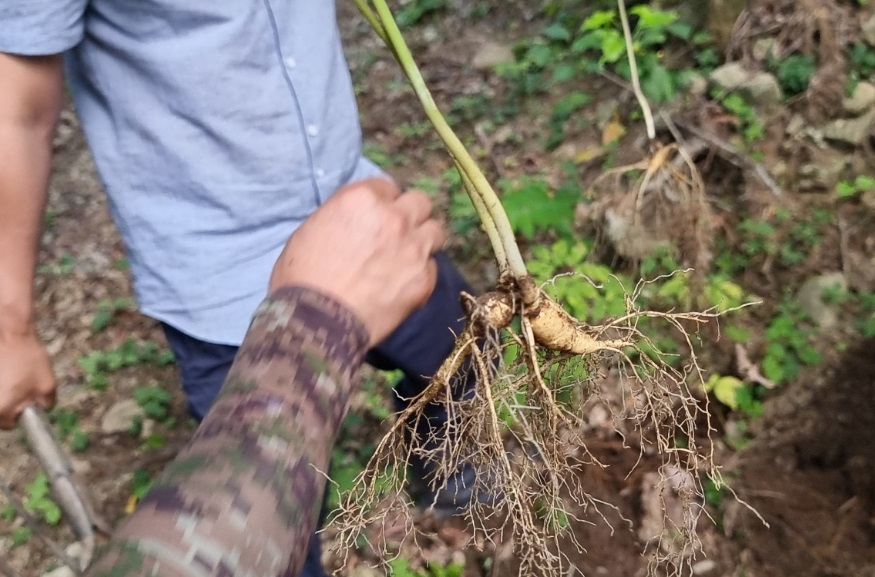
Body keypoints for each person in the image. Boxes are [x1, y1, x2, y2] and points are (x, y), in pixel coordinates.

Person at [0, 3, 485, 576]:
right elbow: (17, 105)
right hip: (222, 276)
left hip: (357, 210)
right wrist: (10, 322)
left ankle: (452, 468)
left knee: (465, 346)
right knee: (271, 519)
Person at [84, 178, 446, 577]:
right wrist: (316, 320)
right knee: (295, 543)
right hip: (218, 295)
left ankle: (457, 480)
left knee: (452, 357)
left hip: (370, 235)